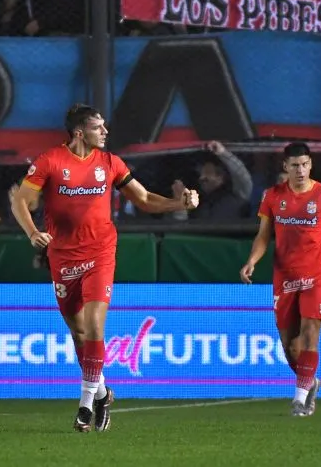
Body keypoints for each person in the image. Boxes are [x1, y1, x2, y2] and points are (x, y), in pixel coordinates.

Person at [11, 104, 200, 433]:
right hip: (63, 255)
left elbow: (143, 199)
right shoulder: (51, 161)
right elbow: (20, 201)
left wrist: (177, 203)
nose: (106, 132)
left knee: (95, 325)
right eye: (100, 127)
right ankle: (101, 393)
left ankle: (84, 405)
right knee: (78, 331)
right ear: (81, 132)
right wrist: (32, 232)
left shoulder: (110, 163)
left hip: (100, 251)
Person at [239, 141, 321, 417]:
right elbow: (263, 235)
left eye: (305, 164)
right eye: (295, 165)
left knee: (310, 335)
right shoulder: (272, 196)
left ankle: (299, 398)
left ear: (311, 164)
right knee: (288, 347)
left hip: (317, 275)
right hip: (284, 276)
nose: (300, 170)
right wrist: (252, 260)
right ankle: (310, 381)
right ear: (285, 167)